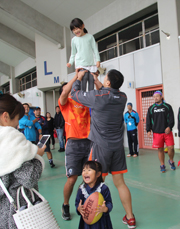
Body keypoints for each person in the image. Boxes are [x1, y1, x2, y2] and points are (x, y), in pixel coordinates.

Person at [71, 69, 136, 228]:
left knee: (95, 182)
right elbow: (108, 92)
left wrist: (78, 79)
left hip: (101, 147)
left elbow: (74, 94)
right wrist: (96, 80)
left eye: (104, 78)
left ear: (107, 82)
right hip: (117, 147)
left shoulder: (97, 97)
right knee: (120, 183)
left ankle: (92, 219)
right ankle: (130, 218)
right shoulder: (122, 97)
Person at [0, 94, 45, 229]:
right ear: (6, 116)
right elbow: (29, 178)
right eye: (17, 119)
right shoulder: (10, 138)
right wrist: (37, 156)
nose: (17, 124)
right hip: (16, 213)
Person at [59, 71, 91, 221]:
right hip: (73, 144)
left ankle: (87, 204)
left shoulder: (85, 101)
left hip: (89, 143)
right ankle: (66, 205)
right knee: (72, 179)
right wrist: (76, 78)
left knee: (90, 178)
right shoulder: (66, 104)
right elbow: (65, 91)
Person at [75, 161, 113, 229]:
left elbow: (109, 202)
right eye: (84, 170)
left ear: (98, 174)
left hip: (101, 221)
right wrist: (79, 208)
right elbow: (77, 203)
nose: (85, 172)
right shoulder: (82, 189)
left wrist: (105, 209)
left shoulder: (103, 188)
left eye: (89, 170)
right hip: (86, 222)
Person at [67, 18, 100, 92]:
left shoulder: (90, 37)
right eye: (74, 30)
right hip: (81, 65)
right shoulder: (74, 40)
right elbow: (73, 53)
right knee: (83, 83)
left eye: (77, 28)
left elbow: (95, 49)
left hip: (91, 64)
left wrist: (98, 60)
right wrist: (70, 62)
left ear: (83, 26)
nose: (76, 31)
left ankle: (90, 100)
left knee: (91, 82)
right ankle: (82, 101)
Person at [146, 90, 175, 173]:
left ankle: (171, 160)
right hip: (157, 133)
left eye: (157, 96)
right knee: (160, 149)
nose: (155, 98)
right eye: (154, 97)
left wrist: (169, 127)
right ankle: (162, 164)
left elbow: (171, 118)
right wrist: (148, 130)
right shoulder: (151, 108)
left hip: (167, 132)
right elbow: (148, 120)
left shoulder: (168, 106)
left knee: (171, 148)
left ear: (161, 97)